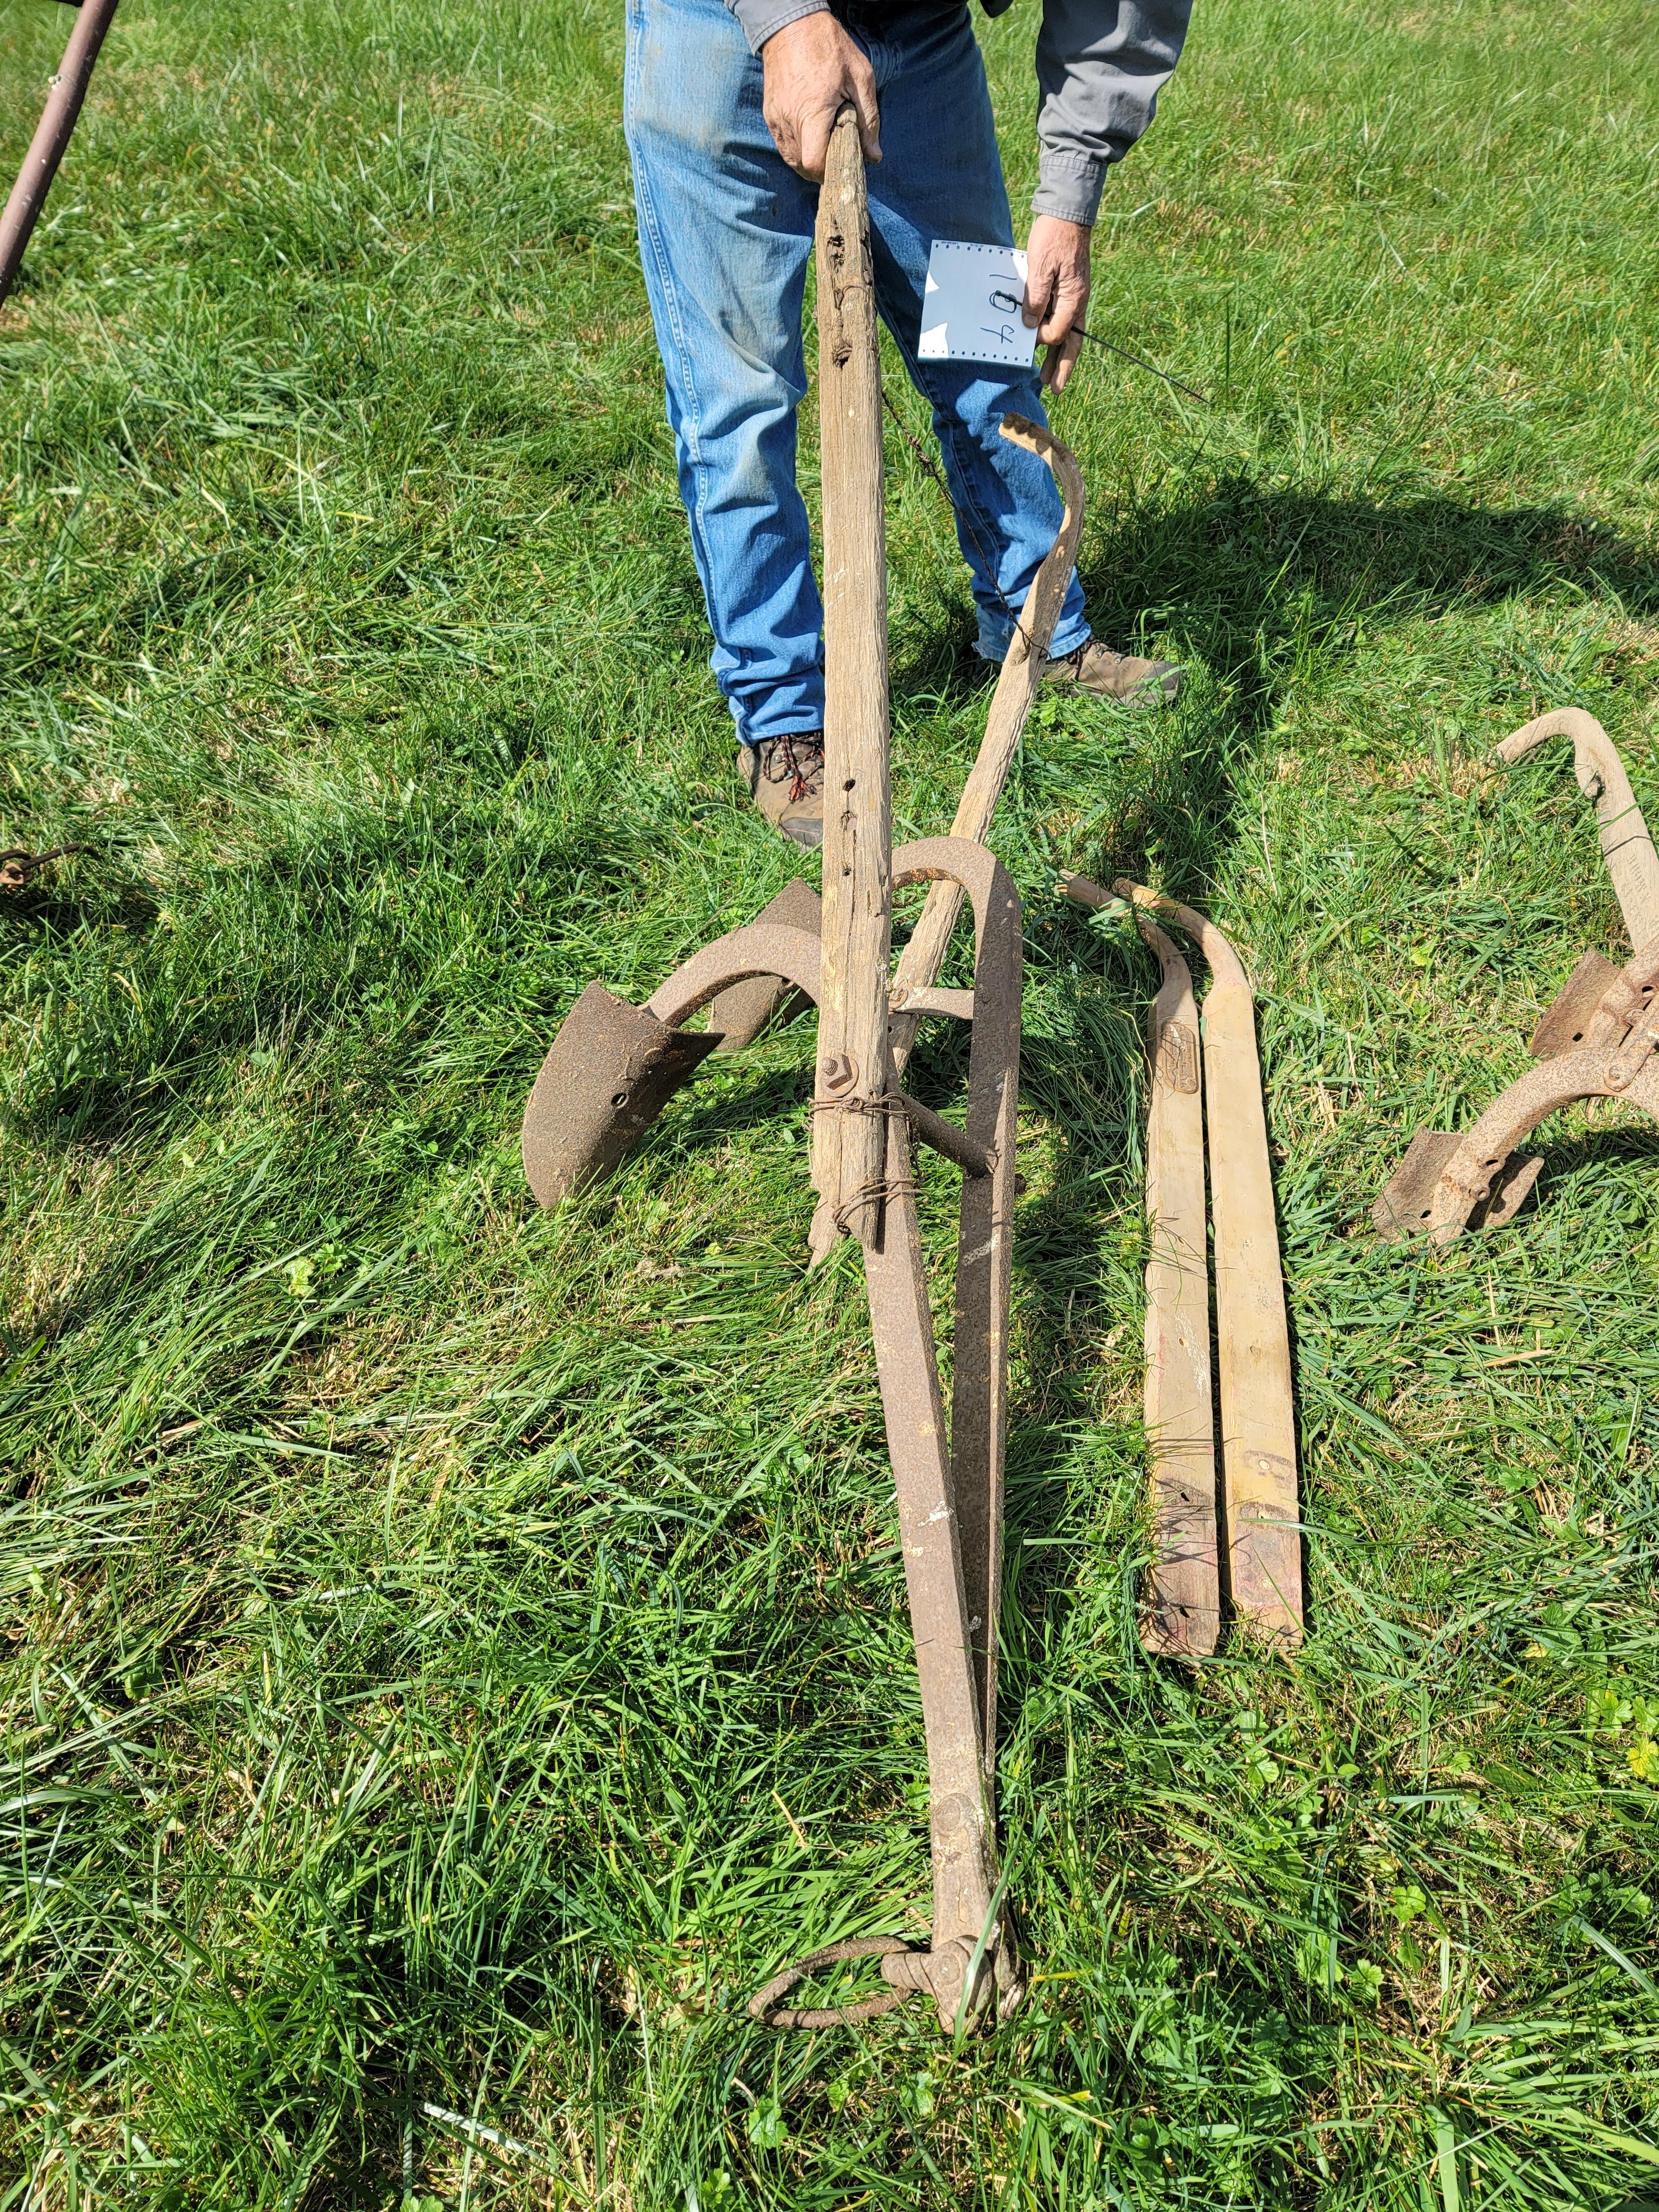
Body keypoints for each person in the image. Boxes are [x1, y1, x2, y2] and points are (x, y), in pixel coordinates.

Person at [625, 0, 1192, 844]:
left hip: (918, 40)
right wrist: (785, 19)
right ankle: (783, 723)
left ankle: (1036, 628)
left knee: (986, 352)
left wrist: (1070, 195)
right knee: (739, 411)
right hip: (718, 33)